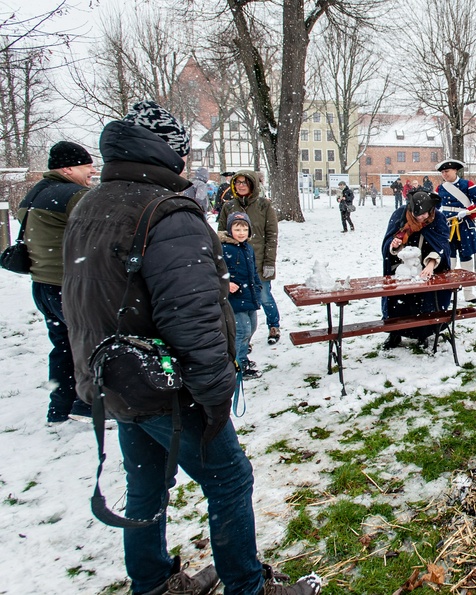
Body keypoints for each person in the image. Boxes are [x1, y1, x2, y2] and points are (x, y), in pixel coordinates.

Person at [62, 100, 321, 595]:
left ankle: (155, 583)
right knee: (229, 479)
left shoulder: (93, 203)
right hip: (170, 389)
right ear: (169, 155)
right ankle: (246, 588)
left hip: (117, 379)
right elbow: (193, 320)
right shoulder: (169, 214)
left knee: (146, 486)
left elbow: (76, 299)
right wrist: (217, 392)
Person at [17, 141, 96, 424]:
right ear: (67, 168)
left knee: (62, 345)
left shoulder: (34, 193)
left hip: (42, 285)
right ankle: (86, 405)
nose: (92, 171)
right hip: (69, 285)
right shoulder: (74, 195)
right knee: (88, 343)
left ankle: (59, 406)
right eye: (87, 166)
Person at [380, 189, 451, 350]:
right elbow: (388, 242)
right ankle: (395, 332)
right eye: (418, 215)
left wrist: (431, 264)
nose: (422, 218)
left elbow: (443, 245)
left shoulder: (438, 218)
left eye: (425, 214)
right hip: (402, 269)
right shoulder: (400, 215)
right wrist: (394, 246)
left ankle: (424, 333)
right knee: (399, 302)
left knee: (426, 301)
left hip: (429, 267)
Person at [217, 170, 282, 345]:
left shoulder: (264, 205)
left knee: (264, 296)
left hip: (259, 262)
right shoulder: (229, 207)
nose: (241, 185)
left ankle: (274, 325)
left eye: (245, 182)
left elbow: (271, 235)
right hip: (236, 264)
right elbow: (220, 234)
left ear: (252, 184)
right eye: (237, 182)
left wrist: (269, 262)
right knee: (240, 302)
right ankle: (243, 338)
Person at [435, 158, 476, 303]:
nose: (445, 174)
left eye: (447, 171)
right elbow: (436, 207)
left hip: (464, 225)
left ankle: (468, 292)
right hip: (447, 226)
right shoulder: (440, 188)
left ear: (455, 170)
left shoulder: (467, 185)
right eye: (443, 172)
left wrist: (468, 211)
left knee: (466, 257)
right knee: (449, 258)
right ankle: (450, 291)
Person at [223, 212, 264, 379]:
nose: (241, 233)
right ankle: (237, 363)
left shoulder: (247, 247)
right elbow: (213, 270)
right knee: (242, 330)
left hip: (250, 295)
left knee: (252, 327)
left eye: (244, 229)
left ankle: (242, 357)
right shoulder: (224, 248)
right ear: (229, 229)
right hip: (235, 298)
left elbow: (253, 270)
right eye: (237, 229)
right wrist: (225, 283)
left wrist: (258, 285)